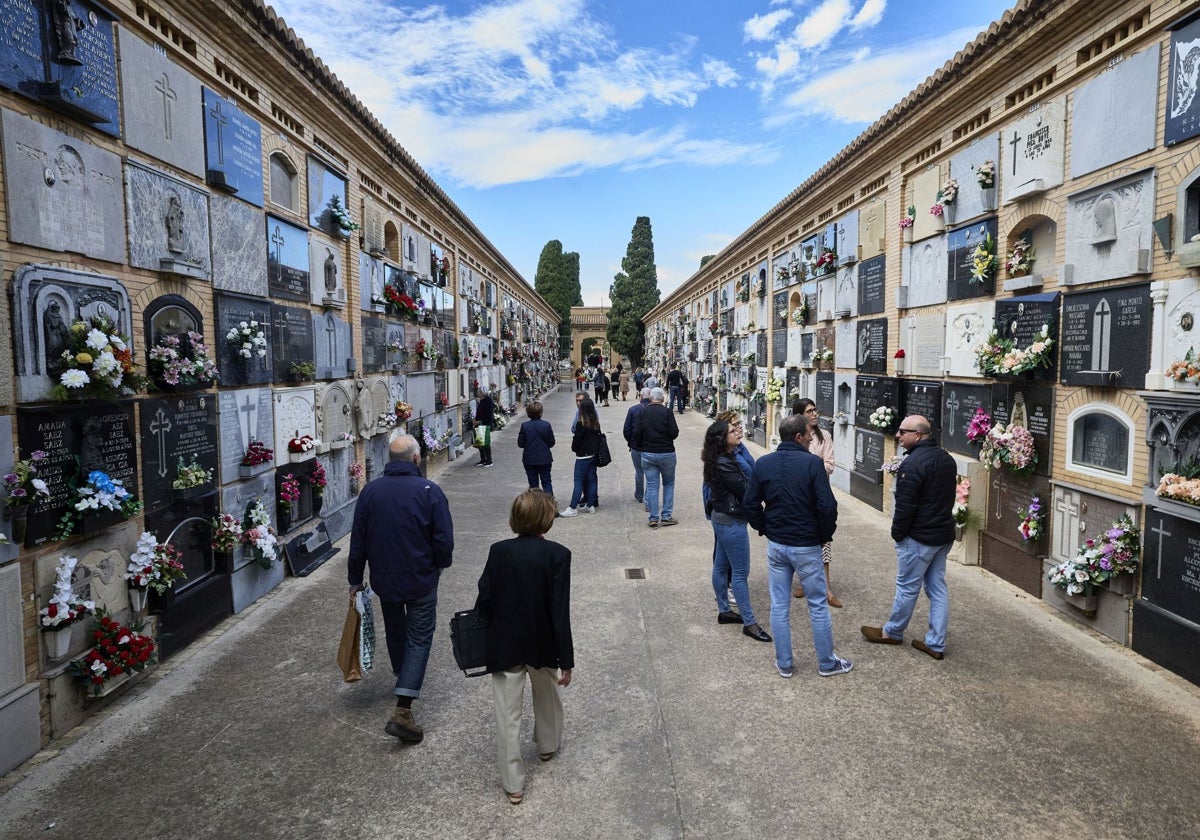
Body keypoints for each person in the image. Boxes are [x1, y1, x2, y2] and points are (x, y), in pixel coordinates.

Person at [348, 433, 454, 742]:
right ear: (417, 459)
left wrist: (355, 579)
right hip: (421, 578)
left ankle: (402, 674)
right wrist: (440, 565)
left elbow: (359, 542)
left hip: (385, 578)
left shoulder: (370, 493)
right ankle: (403, 709)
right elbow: (443, 540)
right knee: (419, 637)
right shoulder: (429, 491)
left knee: (395, 629)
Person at [475, 490, 574, 806]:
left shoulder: (498, 551)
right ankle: (547, 744)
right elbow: (560, 611)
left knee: (507, 713)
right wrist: (567, 659)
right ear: (546, 518)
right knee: (547, 694)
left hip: (504, 641)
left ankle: (513, 781)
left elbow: (485, 597)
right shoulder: (558, 554)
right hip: (542, 640)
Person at [744, 414, 852, 679]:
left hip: (778, 544)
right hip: (806, 544)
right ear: (798, 437)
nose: (811, 437)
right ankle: (827, 663)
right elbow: (827, 506)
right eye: (808, 433)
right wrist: (823, 535)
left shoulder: (763, 463)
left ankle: (784, 663)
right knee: (817, 604)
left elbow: (750, 503)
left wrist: (766, 528)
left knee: (779, 605)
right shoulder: (812, 464)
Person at [860, 414, 957, 660]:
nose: (898, 436)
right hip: (942, 535)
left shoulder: (912, 465)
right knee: (937, 588)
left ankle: (892, 632)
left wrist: (897, 535)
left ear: (919, 435)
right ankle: (935, 643)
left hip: (920, 538)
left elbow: (905, 506)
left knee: (907, 586)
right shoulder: (947, 459)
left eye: (903, 432)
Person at [701, 419, 770, 643]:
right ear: (722, 439)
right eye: (732, 430)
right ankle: (750, 623)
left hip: (723, 518)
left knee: (721, 566)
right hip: (731, 521)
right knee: (740, 573)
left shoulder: (726, 457)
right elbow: (746, 489)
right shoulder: (724, 462)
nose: (737, 431)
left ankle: (724, 610)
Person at [791, 399, 841, 608]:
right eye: (809, 411)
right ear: (799, 415)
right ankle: (804, 581)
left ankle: (827, 589)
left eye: (815, 410)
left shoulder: (824, 436)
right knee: (801, 540)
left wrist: (810, 467)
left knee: (824, 542)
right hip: (800, 497)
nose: (814, 414)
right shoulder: (793, 437)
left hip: (820, 495)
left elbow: (829, 464)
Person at [633, 387, 679, 528]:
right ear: (663, 399)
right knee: (668, 484)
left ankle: (653, 518)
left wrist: (642, 446)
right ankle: (666, 516)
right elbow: (674, 432)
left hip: (647, 452)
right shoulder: (667, 412)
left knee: (652, 486)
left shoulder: (643, 412)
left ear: (650, 398)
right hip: (666, 452)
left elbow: (636, 433)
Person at [560, 397, 601, 517]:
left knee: (578, 482)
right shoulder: (595, 422)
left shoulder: (581, 423)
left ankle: (572, 508)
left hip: (582, 456)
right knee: (592, 480)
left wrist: (574, 448)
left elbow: (577, 440)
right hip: (592, 454)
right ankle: (590, 505)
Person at [517, 401, 555, 500]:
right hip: (545, 458)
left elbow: (520, 443)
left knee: (533, 485)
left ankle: (535, 508)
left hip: (529, 459)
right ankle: (550, 506)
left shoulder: (525, 426)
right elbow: (551, 443)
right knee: (547, 482)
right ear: (541, 412)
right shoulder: (546, 425)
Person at [623, 387, 651, 508]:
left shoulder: (633, 410)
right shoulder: (654, 410)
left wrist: (631, 442)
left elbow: (626, 429)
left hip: (636, 446)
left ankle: (639, 495)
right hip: (650, 446)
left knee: (639, 471)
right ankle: (648, 495)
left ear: (640, 396)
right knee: (650, 473)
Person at [474, 388, 495, 467]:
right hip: (480, 424)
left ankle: (489, 461)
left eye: (479, 392)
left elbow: (488, 415)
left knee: (485, 443)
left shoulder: (488, 401)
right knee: (480, 443)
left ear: (483, 393)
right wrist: (475, 420)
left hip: (485, 424)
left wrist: (479, 421)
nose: (478, 393)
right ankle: (483, 459)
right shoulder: (482, 400)